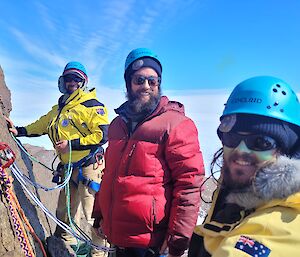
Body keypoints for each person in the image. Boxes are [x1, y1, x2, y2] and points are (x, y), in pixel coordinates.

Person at [92, 48, 205, 257]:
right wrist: (99, 216)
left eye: (152, 81)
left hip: (152, 243)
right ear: (128, 83)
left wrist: (178, 238)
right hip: (117, 237)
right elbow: (109, 174)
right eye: (139, 80)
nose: (146, 86)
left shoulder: (176, 124)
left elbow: (189, 183)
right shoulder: (118, 125)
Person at [188, 76, 300, 257]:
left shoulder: (277, 228)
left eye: (261, 142)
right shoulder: (234, 195)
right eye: (232, 137)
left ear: (287, 152)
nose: (240, 150)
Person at [6, 61, 109, 257]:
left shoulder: (91, 105)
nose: (71, 82)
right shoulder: (60, 107)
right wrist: (19, 130)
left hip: (89, 166)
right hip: (68, 167)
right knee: (65, 210)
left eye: (76, 79)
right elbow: (42, 124)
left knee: (92, 215)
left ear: (83, 82)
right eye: (68, 78)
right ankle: (63, 247)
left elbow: (103, 134)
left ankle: (99, 254)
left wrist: (72, 144)